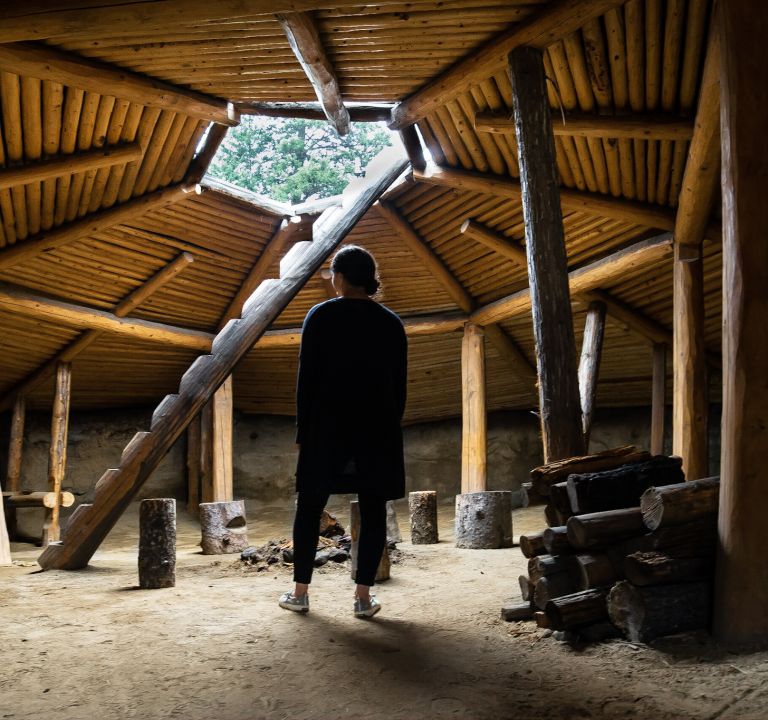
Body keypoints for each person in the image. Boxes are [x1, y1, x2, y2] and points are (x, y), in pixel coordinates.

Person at [279, 245, 407, 619]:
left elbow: (307, 380)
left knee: (309, 509)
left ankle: (300, 592)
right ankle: (363, 599)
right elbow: (399, 386)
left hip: (327, 429)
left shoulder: (320, 316)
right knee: (372, 512)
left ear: (340, 276)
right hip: (376, 431)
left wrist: (303, 430)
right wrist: (389, 426)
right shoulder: (391, 323)